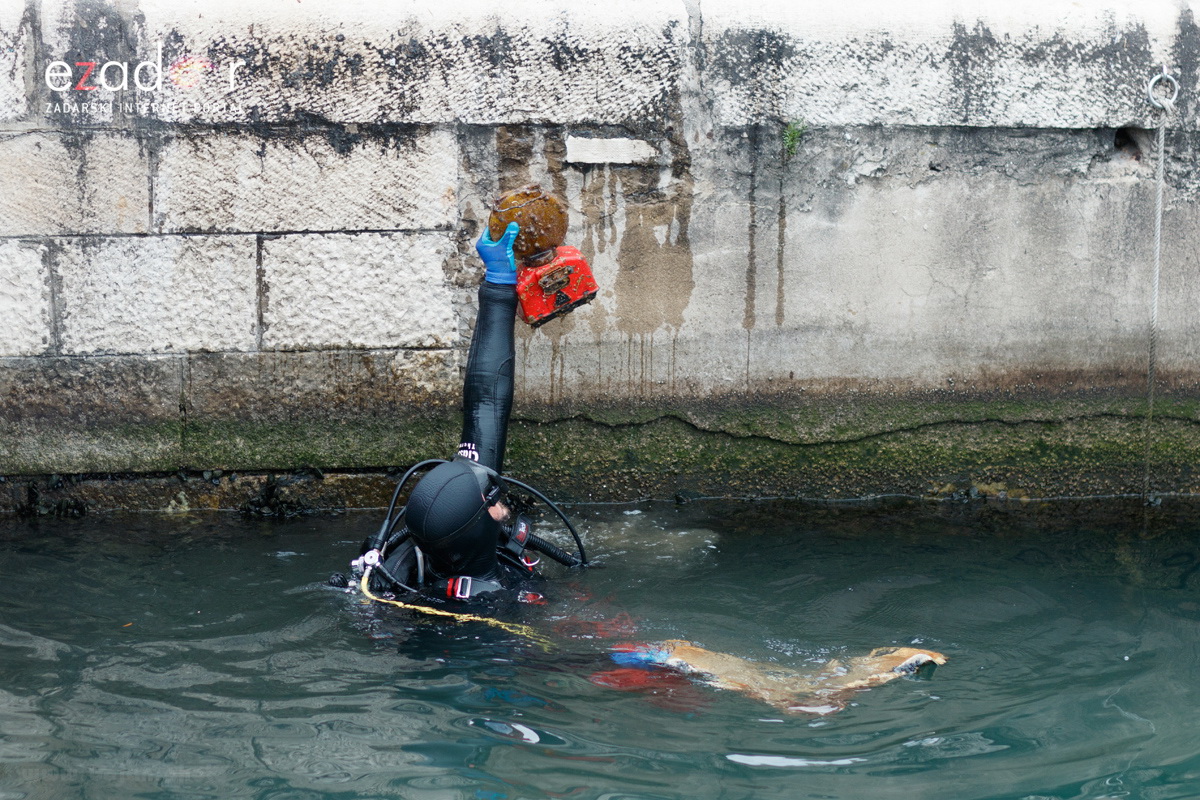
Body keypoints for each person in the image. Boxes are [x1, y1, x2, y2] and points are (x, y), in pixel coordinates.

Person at [341, 220, 584, 604]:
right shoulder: (497, 611)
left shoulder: (407, 557)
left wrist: (499, 283)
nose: (502, 493)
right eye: (492, 496)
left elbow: (487, 399)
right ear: (478, 525)